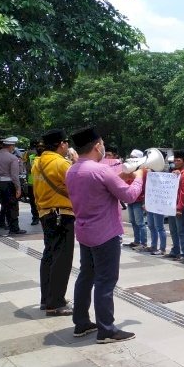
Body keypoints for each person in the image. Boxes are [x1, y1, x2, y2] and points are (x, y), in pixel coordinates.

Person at [66, 126, 144, 343]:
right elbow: (128, 196)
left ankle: (81, 323)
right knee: (105, 281)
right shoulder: (100, 170)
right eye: (103, 144)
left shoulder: (72, 170)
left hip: (84, 231)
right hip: (105, 233)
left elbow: (99, 186)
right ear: (97, 146)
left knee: (86, 276)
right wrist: (138, 177)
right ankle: (106, 330)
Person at [33, 129, 75, 316]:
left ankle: (47, 299)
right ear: (61, 144)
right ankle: (56, 303)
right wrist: (74, 162)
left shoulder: (37, 163)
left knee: (49, 256)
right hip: (62, 214)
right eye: (65, 142)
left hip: (45, 213)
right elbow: (77, 185)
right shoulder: (61, 163)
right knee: (62, 259)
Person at [0, 136, 26, 234]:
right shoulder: (13, 158)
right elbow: (15, 176)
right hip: (8, 184)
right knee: (12, 206)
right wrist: (18, 188)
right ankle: (14, 228)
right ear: (11, 146)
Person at [165, 151, 184, 261]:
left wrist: (180, 208)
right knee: (173, 230)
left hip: (179, 208)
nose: (176, 162)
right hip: (172, 206)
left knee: (182, 231)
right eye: (175, 160)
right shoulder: (175, 173)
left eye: (179, 160)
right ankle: (175, 250)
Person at [124, 149, 148, 250]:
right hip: (131, 200)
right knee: (133, 222)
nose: (131, 159)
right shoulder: (130, 169)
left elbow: (145, 187)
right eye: (131, 157)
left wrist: (144, 201)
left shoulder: (143, 171)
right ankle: (137, 240)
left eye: (134, 157)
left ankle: (143, 243)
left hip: (138, 200)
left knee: (140, 222)